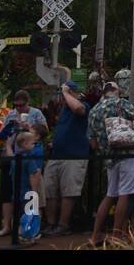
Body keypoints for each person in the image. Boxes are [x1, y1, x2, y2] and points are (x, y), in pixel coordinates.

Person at [86, 81, 134, 248]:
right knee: (124, 194)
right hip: (127, 154)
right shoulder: (122, 103)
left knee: (110, 195)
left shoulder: (94, 111)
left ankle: (95, 235)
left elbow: (93, 143)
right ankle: (116, 236)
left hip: (109, 158)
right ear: (116, 91)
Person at [0, 90, 47, 238]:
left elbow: (44, 131)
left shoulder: (36, 114)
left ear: (27, 103)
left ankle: (33, 228)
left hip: (30, 159)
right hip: (15, 158)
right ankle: (9, 225)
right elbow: (3, 135)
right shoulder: (10, 115)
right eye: (16, 105)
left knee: (32, 195)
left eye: (21, 105)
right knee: (13, 194)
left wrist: (28, 127)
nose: (18, 108)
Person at [42, 81, 91, 237]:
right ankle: (51, 224)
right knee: (49, 190)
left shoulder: (83, 105)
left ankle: (63, 225)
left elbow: (78, 109)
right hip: (57, 155)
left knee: (68, 191)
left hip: (74, 156)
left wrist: (66, 92)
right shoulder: (63, 110)